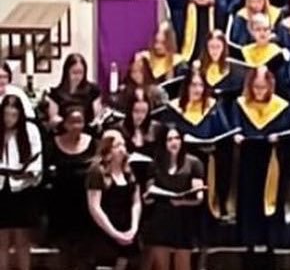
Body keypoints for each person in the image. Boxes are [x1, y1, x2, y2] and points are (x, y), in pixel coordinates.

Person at [229, 68, 290, 269]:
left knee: (271, 199)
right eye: (256, 87)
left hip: (273, 160)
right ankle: (249, 244)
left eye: (263, 87)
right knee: (250, 200)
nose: (259, 91)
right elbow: (234, 126)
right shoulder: (241, 104)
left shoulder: (281, 106)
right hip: (248, 160)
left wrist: (279, 138)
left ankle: (271, 243)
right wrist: (237, 135)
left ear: (270, 86)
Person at [158, 70, 228, 226]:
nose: (197, 89)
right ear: (186, 87)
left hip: (207, 159)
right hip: (182, 163)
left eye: (201, 85)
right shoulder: (175, 108)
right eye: (193, 85)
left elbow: (224, 131)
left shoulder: (212, 107)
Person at [143, 127, 205, 270]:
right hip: (161, 219)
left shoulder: (194, 162)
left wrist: (182, 201)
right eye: (169, 139)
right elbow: (149, 192)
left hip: (183, 219)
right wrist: (147, 197)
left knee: (183, 264)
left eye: (177, 138)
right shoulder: (155, 164)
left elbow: (199, 197)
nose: (174, 142)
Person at [47, 107, 98, 270]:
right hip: (61, 205)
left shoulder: (93, 143)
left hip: (86, 207)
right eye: (72, 122)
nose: (76, 126)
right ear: (65, 124)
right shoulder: (53, 143)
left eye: (80, 122)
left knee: (85, 254)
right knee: (64, 253)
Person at [86, 131, 142, 270]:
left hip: (127, 230)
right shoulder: (97, 172)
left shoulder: (129, 172)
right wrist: (114, 233)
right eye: (117, 145)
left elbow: (136, 202)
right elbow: (95, 207)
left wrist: (133, 228)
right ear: (107, 149)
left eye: (123, 144)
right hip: (105, 231)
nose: (122, 149)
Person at [0, 95, 41, 270]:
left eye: (13, 115)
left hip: (23, 190)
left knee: (22, 240)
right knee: (2, 240)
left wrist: (27, 174)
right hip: (1, 189)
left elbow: (37, 158)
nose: (9, 119)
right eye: (6, 115)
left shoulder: (30, 130)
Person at [46, 53, 104, 129]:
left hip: (87, 131)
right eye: (74, 73)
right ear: (67, 72)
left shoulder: (93, 90)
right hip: (65, 133)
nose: (78, 77)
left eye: (80, 73)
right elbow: (53, 119)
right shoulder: (56, 94)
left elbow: (98, 116)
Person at [141, 22, 189, 98]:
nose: (157, 46)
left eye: (162, 43)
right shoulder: (144, 59)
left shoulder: (179, 64)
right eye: (156, 42)